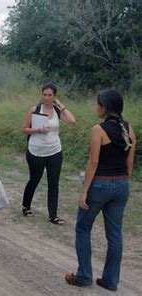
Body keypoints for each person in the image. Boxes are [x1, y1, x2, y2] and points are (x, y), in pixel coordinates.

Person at [65, 89, 136, 291]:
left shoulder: (99, 130)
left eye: (98, 104)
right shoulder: (129, 130)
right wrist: (123, 184)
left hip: (100, 185)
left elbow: (93, 162)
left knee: (82, 228)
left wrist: (84, 191)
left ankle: (84, 275)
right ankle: (111, 280)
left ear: (105, 108)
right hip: (122, 185)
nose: (96, 107)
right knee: (115, 235)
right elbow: (129, 161)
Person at [21, 83, 76, 224]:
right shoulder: (35, 109)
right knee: (35, 179)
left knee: (54, 183)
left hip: (54, 150)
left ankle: (53, 215)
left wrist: (60, 105)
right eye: (44, 95)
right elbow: (25, 129)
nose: (46, 98)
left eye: (50, 95)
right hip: (36, 150)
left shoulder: (57, 111)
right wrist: (38, 130)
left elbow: (71, 120)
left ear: (54, 96)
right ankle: (26, 206)